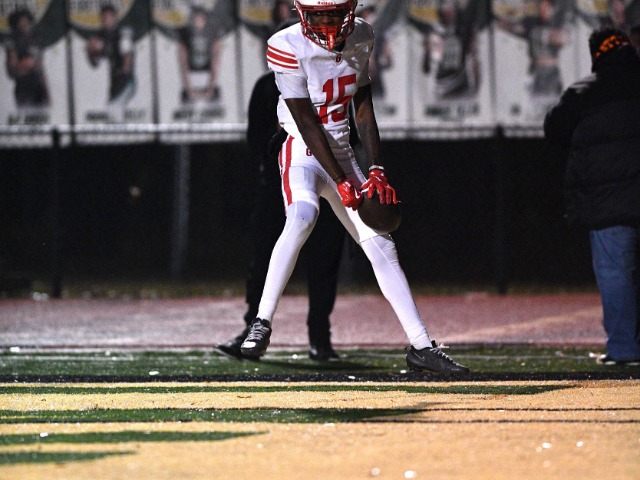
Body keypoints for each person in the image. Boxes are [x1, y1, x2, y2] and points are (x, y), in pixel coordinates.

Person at [239, 0, 469, 375]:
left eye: (334, 12)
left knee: (382, 244)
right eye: (319, 14)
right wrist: (342, 181)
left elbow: (363, 107)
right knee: (302, 216)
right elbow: (306, 122)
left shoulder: (361, 34)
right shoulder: (286, 44)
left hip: (343, 152)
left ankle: (422, 347)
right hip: (301, 149)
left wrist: (376, 168)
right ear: (303, 13)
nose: (327, 21)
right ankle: (262, 322)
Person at [544, 27, 640, 366]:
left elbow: (554, 129)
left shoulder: (585, 92)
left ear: (597, 55)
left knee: (616, 275)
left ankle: (626, 350)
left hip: (609, 202)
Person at [85, 4, 135, 122]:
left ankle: (122, 132)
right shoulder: (102, 36)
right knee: (112, 113)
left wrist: (125, 70)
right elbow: (95, 64)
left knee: (114, 108)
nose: (105, 20)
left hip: (125, 80)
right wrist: (90, 53)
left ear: (114, 18)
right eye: (103, 18)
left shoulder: (121, 33)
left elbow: (127, 53)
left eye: (108, 17)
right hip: (114, 81)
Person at [5, 8, 50, 109]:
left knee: (42, 114)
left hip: (38, 86)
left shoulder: (35, 40)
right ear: (16, 25)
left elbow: (40, 67)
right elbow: (12, 67)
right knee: (26, 114)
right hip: (23, 87)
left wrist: (46, 90)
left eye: (27, 22)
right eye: (21, 22)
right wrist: (26, 64)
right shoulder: (12, 42)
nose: (25, 25)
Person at [177, 5, 222, 104]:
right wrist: (188, 88)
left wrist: (211, 87)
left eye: (200, 19)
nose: (197, 22)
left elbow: (216, 59)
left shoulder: (212, 32)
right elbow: (183, 62)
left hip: (207, 69)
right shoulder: (185, 33)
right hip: (192, 69)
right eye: (195, 19)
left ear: (205, 19)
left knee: (215, 61)